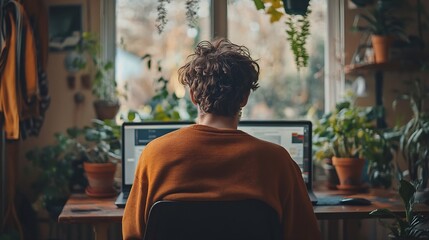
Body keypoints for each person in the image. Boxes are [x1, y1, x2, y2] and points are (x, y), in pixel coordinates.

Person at [122, 39, 321, 240]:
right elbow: (306, 235)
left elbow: (133, 235)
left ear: (193, 95)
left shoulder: (155, 154)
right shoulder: (277, 161)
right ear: (244, 97)